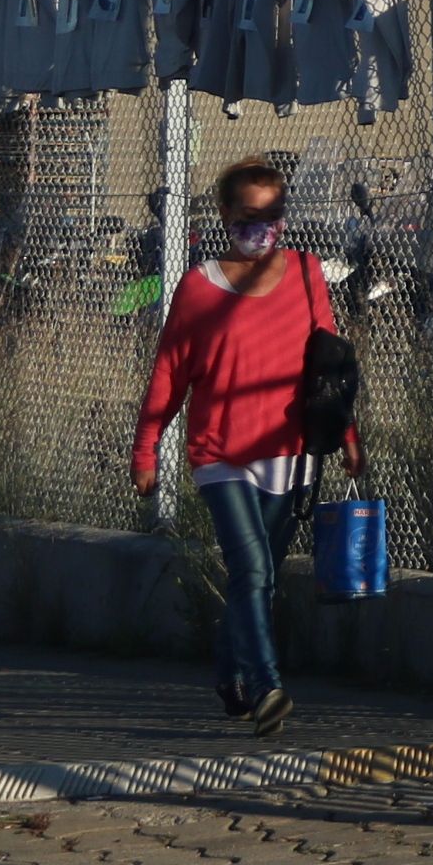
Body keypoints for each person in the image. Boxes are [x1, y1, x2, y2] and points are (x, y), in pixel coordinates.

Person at [133, 158, 352, 732]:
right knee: (251, 567)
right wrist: (147, 448)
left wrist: (347, 438)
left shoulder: (307, 274)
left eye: (274, 214)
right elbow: (169, 374)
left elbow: (329, 370)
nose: (264, 226)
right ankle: (265, 685)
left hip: (290, 451)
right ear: (226, 213)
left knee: (260, 576)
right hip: (220, 454)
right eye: (251, 215)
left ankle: (230, 675)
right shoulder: (199, 287)